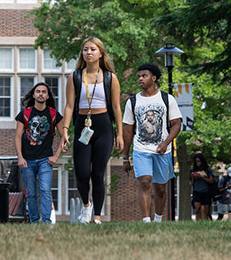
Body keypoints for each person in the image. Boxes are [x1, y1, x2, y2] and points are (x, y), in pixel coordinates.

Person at [59, 36, 123, 224]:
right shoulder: (75, 76)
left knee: (98, 173)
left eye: (93, 49)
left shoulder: (111, 77)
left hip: (103, 126)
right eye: (85, 49)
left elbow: (117, 107)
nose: (88, 52)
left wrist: (119, 134)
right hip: (82, 125)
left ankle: (96, 216)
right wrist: (64, 130)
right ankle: (86, 206)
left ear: (101, 53)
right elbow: (69, 106)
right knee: (81, 172)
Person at [121, 62, 182, 222]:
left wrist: (166, 143)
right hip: (141, 150)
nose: (140, 79)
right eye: (139, 76)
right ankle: (146, 221)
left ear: (154, 78)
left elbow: (177, 124)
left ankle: (158, 218)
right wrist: (125, 157)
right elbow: (127, 130)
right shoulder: (132, 102)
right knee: (145, 182)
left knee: (161, 189)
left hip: (162, 151)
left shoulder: (166, 99)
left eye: (144, 76)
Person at [15, 82, 64, 224]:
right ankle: (35, 221)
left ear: (48, 95)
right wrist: (20, 157)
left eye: (44, 91)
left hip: (45, 160)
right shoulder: (25, 114)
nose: (41, 94)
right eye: (38, 91)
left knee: (45, 190)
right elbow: (17, 137)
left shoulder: (54, 114)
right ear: (34, 94)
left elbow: (63, 136)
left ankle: (47, 222)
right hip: (27, 160)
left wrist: (56, 156)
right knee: (30, 193)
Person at [189, 152, 216, 220]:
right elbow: (191, 184)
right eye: (196, 162)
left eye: (199, 161)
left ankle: (207, 220)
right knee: (197, 209)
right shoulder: (193, 170)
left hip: (206, 191)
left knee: (206, 211)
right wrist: (193, 177)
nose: (198, 163)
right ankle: (197, 223)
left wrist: (201, 177)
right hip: (197, 191)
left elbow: (211, 181)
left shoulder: (207, 170)